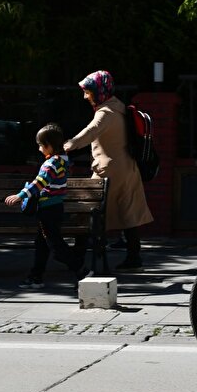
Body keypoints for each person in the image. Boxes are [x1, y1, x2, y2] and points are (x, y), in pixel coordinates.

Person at [64, 70, 153, 271]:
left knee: (88, 211)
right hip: (128, 169)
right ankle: (134, 257)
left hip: (108, 173)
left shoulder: (105, 113)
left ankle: (77, 258)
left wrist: (66, 146)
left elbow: (89, 133)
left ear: (99, 91)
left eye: (88, 92)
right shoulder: (119, 107)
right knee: (128, 214)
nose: (85, 96)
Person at [5, 124, 81, 288]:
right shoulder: (62, 160)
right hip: (54, 209)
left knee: (56, 247)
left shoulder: (51, 164)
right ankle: (35, 276)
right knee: (42, 244)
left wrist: (20, 196)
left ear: (49, 146)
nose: (39, 149)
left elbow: (39, 183)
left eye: (40, 145)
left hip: (48, 210)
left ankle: (82, 271)